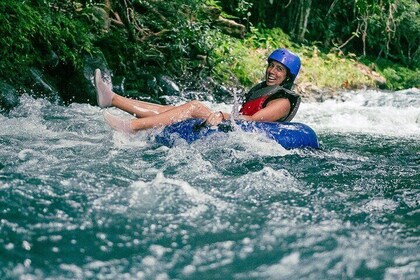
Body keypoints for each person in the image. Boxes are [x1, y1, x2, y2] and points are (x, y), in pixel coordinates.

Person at [96, 48, 301, 133]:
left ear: (288, 76)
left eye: (279, 69)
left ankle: (130, 127)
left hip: (244, 132)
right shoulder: (263, 89)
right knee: (172, 109)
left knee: (193, 106)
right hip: (235, 128)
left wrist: (222, 115)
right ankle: (112, 99)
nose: (272, 71)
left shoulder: (282, 101)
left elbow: (256, 120)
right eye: (271, 65)